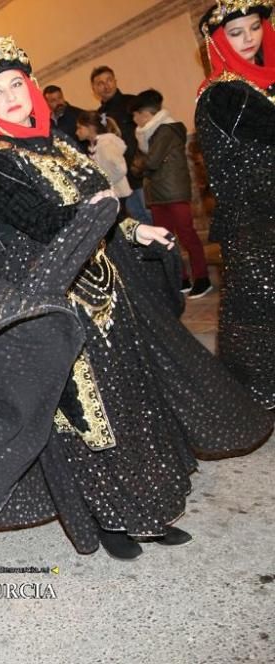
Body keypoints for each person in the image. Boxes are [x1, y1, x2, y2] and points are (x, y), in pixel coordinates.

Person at [0, 32, 272, 559]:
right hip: (62, 310)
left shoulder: (59, 144)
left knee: (133, 400)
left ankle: (147, 508)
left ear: (32, 87)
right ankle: (108, 519)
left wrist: (131, 231)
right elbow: (43, 221)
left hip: (110, 293)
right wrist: (102, 213)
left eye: (17, 84)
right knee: (90, 416)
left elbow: (98, 207)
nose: (11, 96)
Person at [195, 0, 275, 409]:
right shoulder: (225, 94)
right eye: (236, 33)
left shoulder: (264, 84)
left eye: (254, 28)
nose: (248, 40)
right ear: (219, 41)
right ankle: (257, 398)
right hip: (253, 222)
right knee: (260, 317)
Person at [131, 88, 212, 297]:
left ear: (145, 114)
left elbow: (151, 161)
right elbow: (145, 163)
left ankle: (202, 278)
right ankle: (181, 279)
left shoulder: (166, 129)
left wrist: (140, 164)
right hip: (157, 193)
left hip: (173, 191)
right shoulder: (148, 134)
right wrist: (141, 164)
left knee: (187, 235)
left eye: (135, 115)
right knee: (166, 239)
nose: (134, 120)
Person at [90, 65, 150, 222]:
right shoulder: (97, 116)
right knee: (138, 219)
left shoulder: (132, 103)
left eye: (109, 80)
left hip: (140, 172)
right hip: (120, 178)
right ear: (94, 89)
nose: (106, 85)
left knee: (152, 215)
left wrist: (144, 159)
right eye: (100, 83)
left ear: (115, 81)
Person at [75, 110, 132, 206]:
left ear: (90, 128)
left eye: (79, 128)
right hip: (109, 193)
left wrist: (104, 183)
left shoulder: (105, 144)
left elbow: (121, 169)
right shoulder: (96, 145)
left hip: (117, 193)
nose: (76, 132)